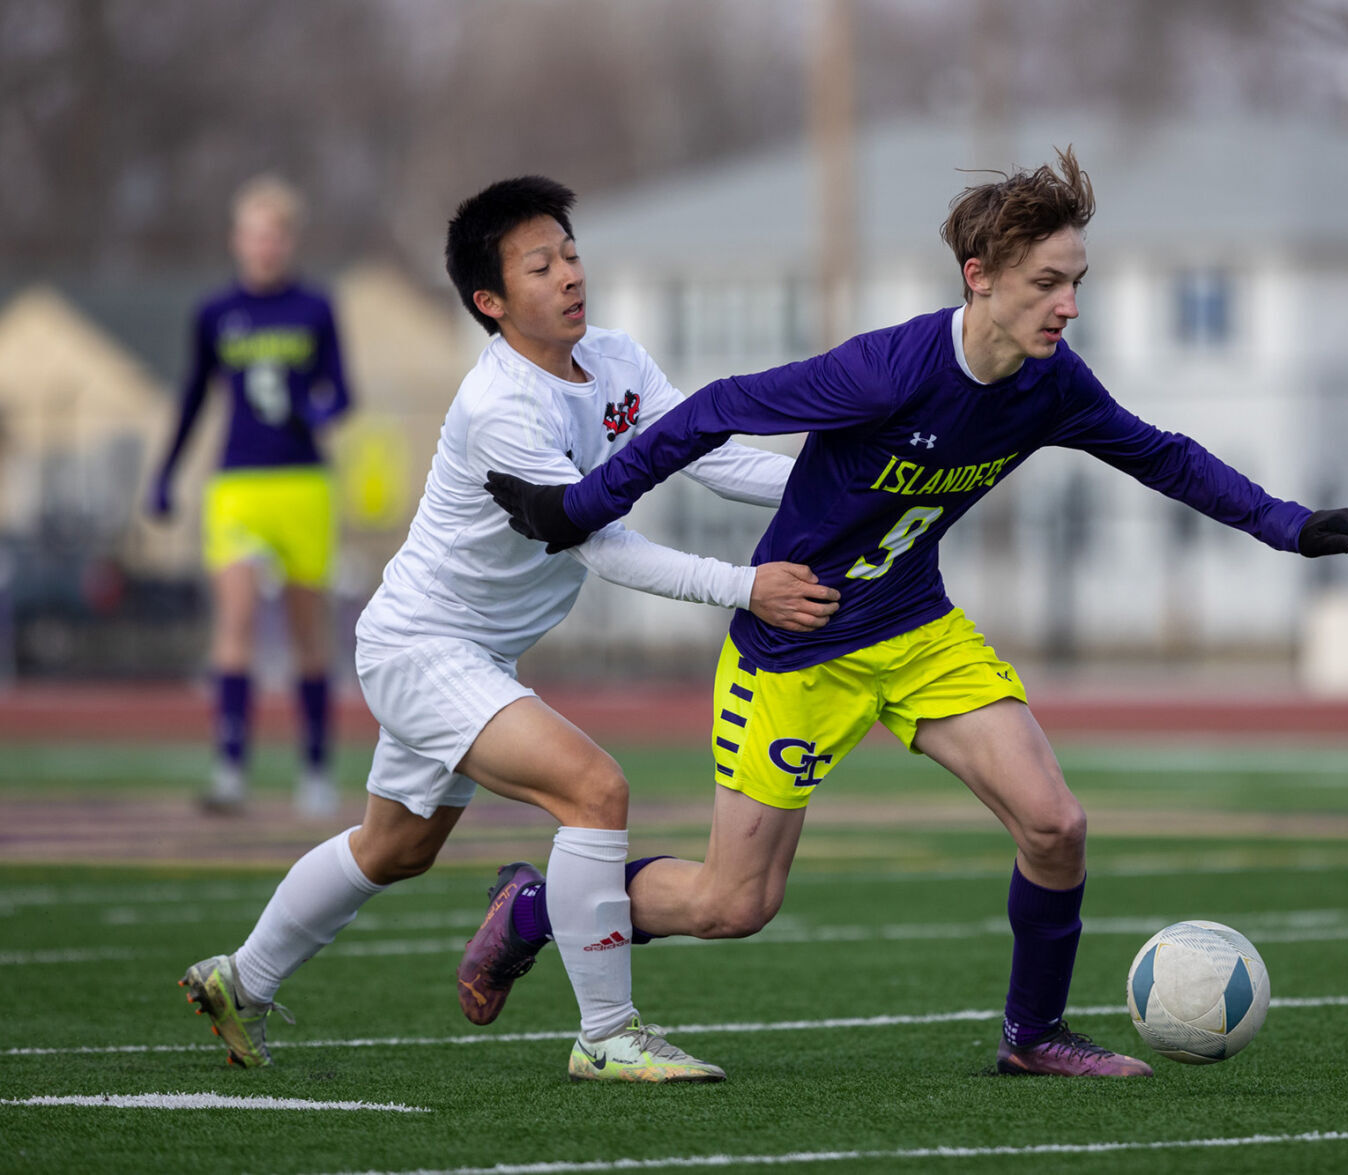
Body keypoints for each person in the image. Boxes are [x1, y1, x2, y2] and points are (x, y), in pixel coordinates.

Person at [486, 149, 1348, 1078]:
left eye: (1076, 282)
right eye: (1046, 283)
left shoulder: (1050, 383)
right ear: (979, 279)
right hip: (797, 649)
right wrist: (577, 509)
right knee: (735, 905)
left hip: (917, 628)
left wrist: (1295, 526)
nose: (1068, 305)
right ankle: (539, 907)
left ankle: (1034, 1035)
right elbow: (715, 411)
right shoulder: (888, 373)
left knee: (1055, 825)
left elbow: (1160, 455)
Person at [178, 176, 839, 1084]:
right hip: (423, 646)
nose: (569, 274)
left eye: (569, 253)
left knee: (395, 849)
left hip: (467, 652)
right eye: (541, 264)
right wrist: (743, 585)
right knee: (595, 791)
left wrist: (853, 486)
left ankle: (237, 979)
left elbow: (711, 454)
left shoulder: (612, 357)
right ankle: (606, 1034)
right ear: (490, 301)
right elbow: (599, 545)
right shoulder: (500, 406)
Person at [149, 175, 354, 817]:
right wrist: (165, 472)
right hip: (236, 483)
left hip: (302, 484)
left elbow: (341, 395)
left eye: (275, 234)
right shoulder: (215, 313)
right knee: (234, 619)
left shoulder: (315, 309)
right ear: (238, 240)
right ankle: (230, 768)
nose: (264, 246)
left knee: (304, 631)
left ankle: (316, 770)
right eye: (254, 234)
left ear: (289, 241)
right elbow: (191, 396)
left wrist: (310, 411)